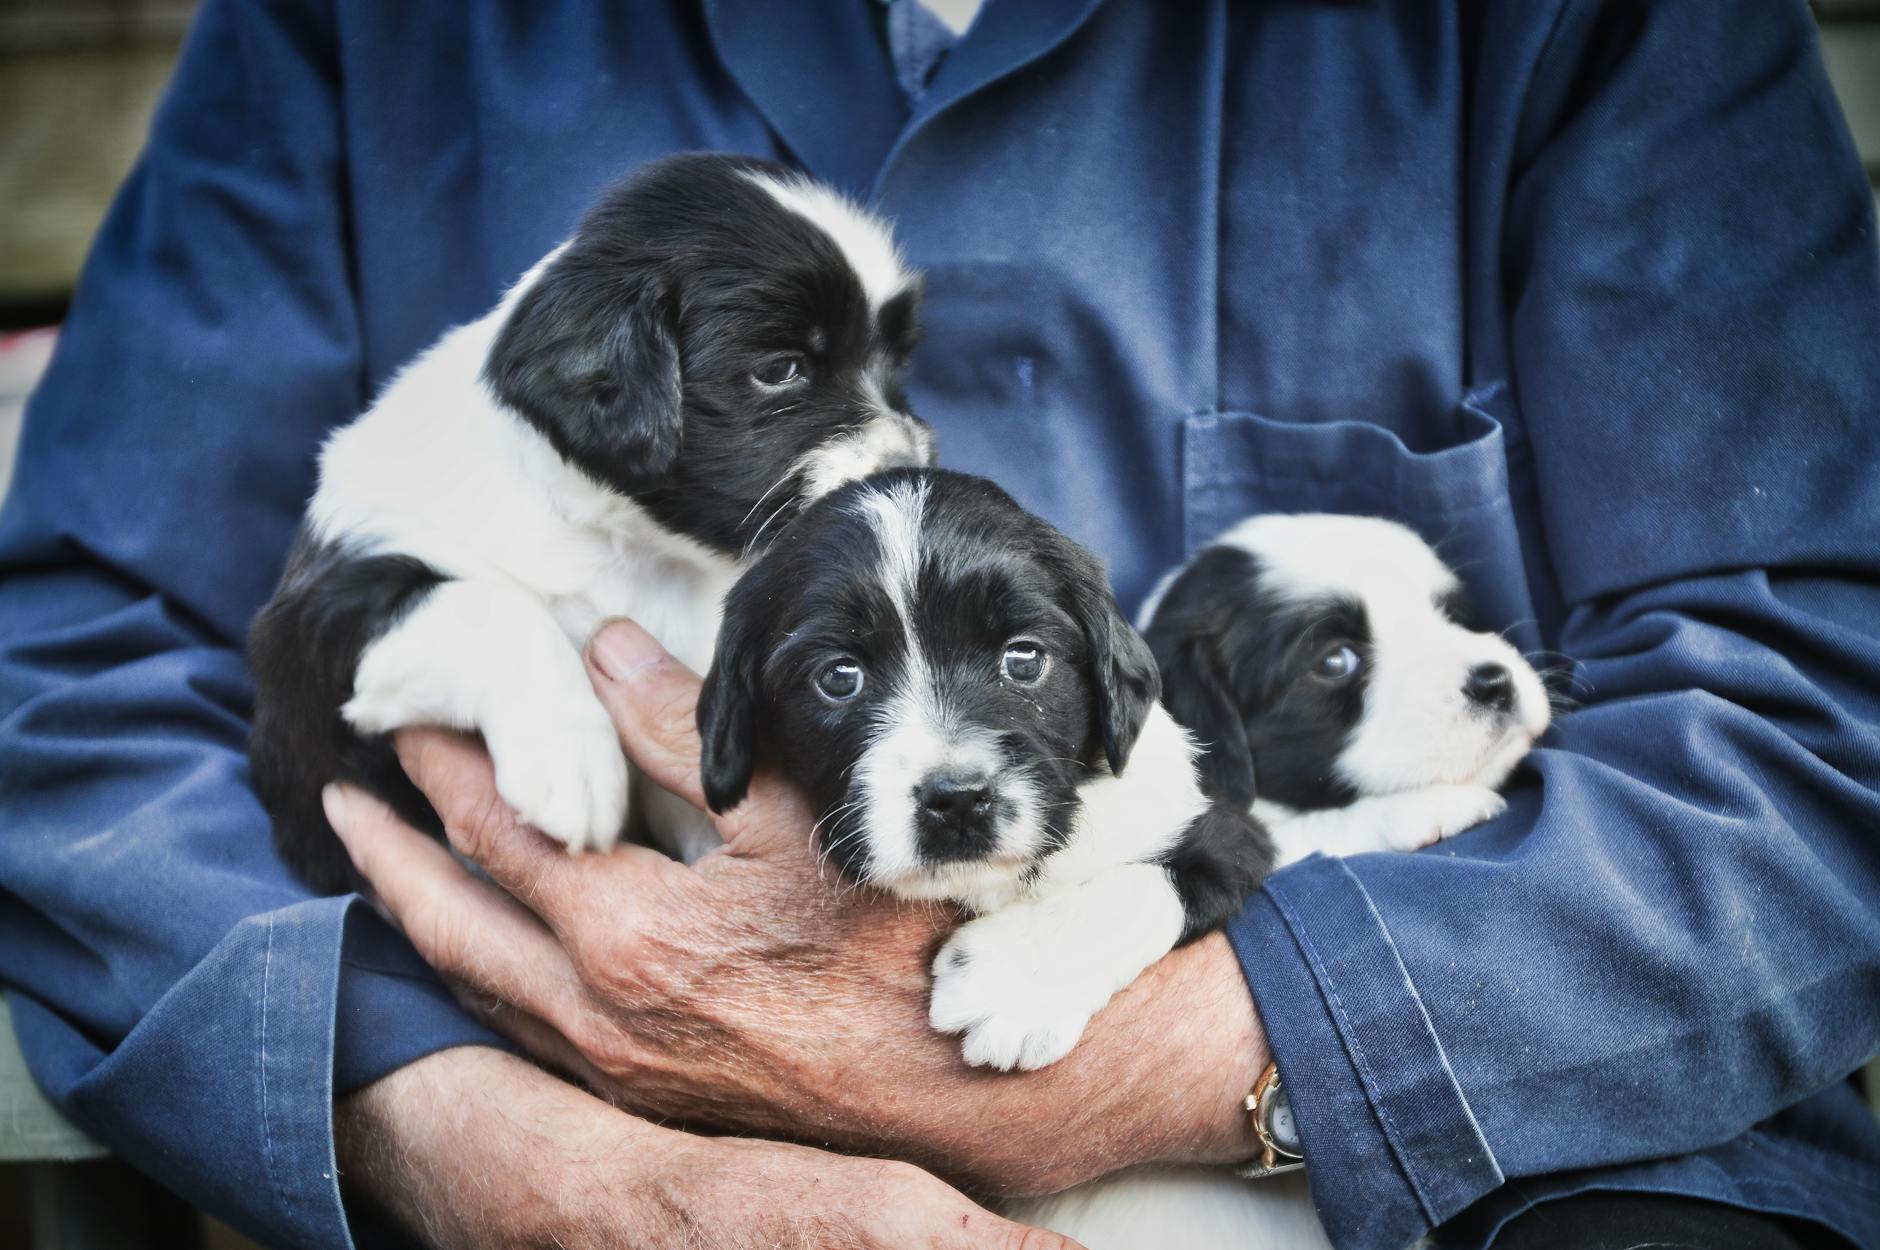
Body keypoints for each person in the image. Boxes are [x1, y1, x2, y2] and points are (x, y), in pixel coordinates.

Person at [1, 1, 1877, 1248]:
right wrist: (501, 1151)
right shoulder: (362, 35)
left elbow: (1819, 714)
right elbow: (79, 669)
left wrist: (1188, 1056)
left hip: (1508, 1180)